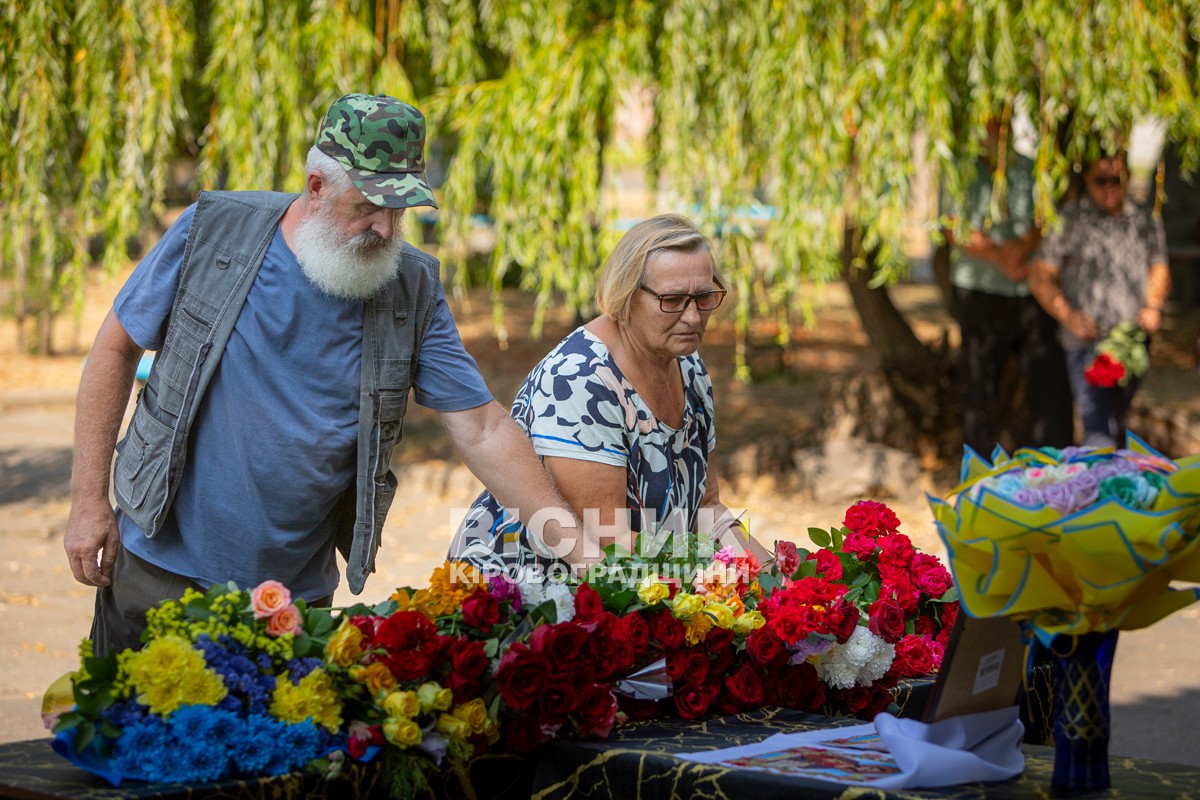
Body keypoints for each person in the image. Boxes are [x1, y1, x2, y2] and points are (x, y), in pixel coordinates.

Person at [65, 93, 584, 656]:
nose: (386, 229)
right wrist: (88, 501)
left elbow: (482, 427)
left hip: (293, 599)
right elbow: (115, 350)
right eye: (368, 206)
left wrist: (577, 548)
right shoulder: (215, 232)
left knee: (275, 745)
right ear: (316, 186)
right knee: (133, 738)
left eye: (399, 210)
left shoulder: (411, 287)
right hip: (159, 570)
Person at [449, 214, 768, 577]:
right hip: (530, 592)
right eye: (673, 299)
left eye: (705, 296)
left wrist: (777, 575)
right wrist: (724, 574)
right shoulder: (582, 379)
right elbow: (608, 539)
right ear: (627, 295)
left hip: (644, 576)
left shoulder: (688, 366)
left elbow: (707, 507)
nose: (694, 317)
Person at [1029, 153, 1171, 447]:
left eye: (1116, 180)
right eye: (1101, 180)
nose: (1110, 187)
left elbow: (1158, 267)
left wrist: (1153, 305)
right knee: (1097, 431)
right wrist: (1069, 316)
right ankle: (1096, 487)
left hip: (1131, 343)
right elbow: (1040, 275)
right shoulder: (1070, 219)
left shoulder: (1145, 218)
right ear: (1087, 180)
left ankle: (1109, 486)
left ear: (1128, 177)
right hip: (1086, 345)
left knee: (1114, 423)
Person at [950, 122, 1074, 456]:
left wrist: (1020, 248)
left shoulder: (1030, 169)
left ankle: (1056, 463)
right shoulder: (959, 168)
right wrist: (999, 256)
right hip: (980, 288)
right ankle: (977, 467)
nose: (992, 127)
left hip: (1028, 290)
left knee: (1049, 381)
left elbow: (1045, 219)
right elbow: (950, 225)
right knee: (978, 384)